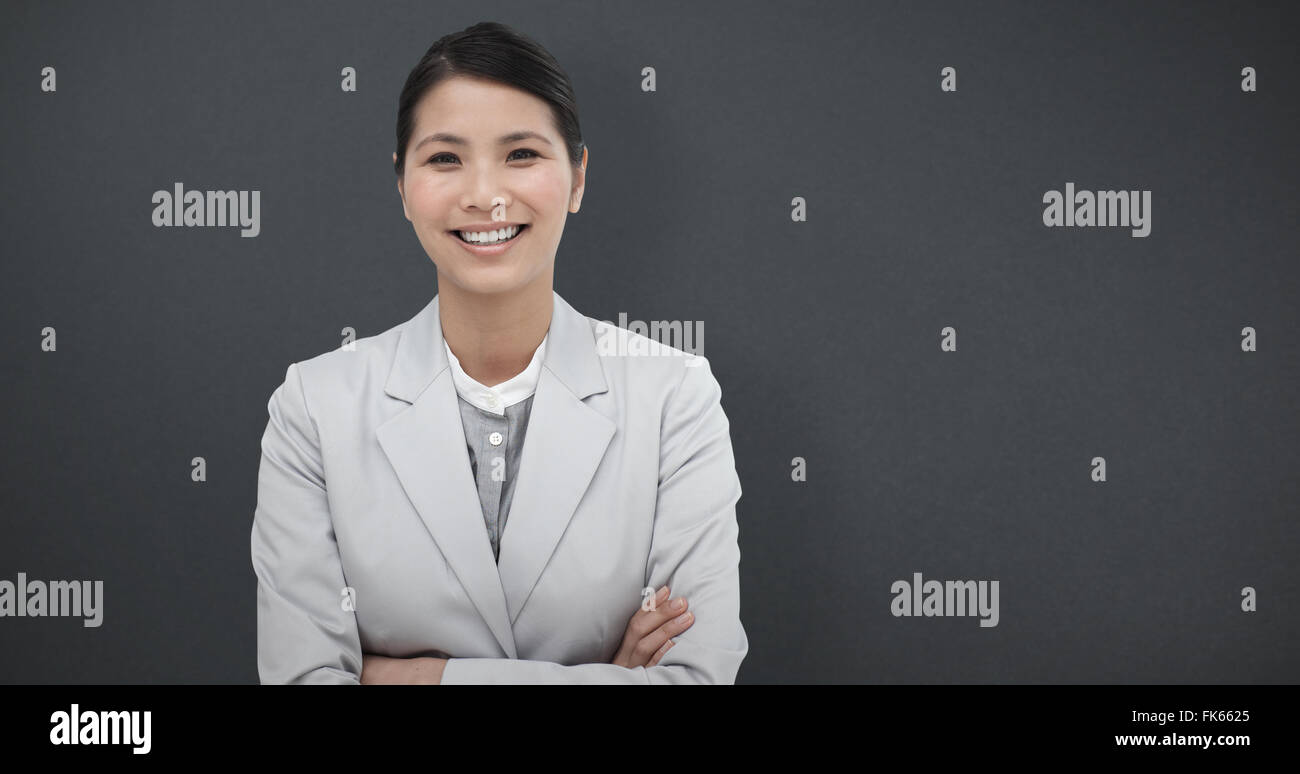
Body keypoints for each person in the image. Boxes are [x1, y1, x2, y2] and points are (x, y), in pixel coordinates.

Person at [251, 21, 748, 684]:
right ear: (401, 185)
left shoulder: (674, 397)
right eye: (445, 159)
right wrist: (606, 676)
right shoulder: (314, 409)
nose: (485, 194)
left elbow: (696, 679)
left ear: (576, 178)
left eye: (520, 154)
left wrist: (410, 677)